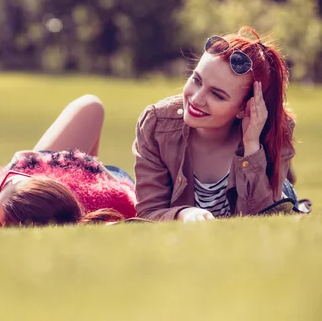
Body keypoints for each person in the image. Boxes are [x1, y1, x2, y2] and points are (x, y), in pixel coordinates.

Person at [132, 26, 307, 223]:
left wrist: (251, 146)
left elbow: (264, 219)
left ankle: (288, 188)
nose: (197, 99)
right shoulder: (157, 124)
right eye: (196, 80)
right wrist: (183, 214)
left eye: (217, 95)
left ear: (244, 108)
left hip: (274, 191)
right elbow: (148, 211)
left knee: (283, 195)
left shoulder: (273, 130)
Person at [0, 94, 137, 227]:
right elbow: (135, 198)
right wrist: (91, 165)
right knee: (91, 105)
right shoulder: (116, 198)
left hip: (90, 180)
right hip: (108, 179)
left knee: (91, 106)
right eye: (14, 176)